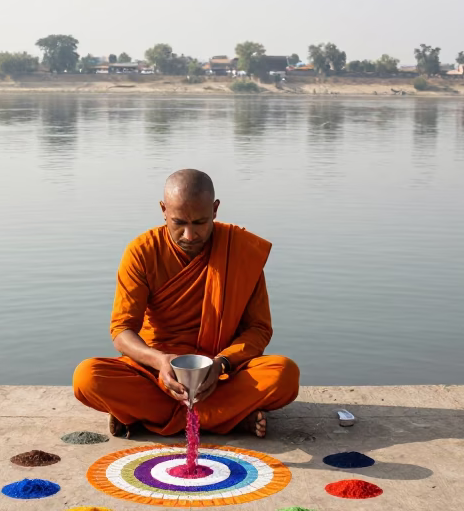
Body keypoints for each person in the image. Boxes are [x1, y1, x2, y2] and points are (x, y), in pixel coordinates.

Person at [73, 169, 299, 438]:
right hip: (157, 374)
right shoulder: (142, 252)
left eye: (200, 222)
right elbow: (122, 331)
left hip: (220, 375)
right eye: (179, 222)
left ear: (215, 210)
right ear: (163, 210)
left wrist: (221, 363)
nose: (189, 235)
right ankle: (229, 419)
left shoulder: (240, 252)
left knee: (284, 375)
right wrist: (159, 361)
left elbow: (259, 330)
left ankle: (143, 417)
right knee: (87, 378)